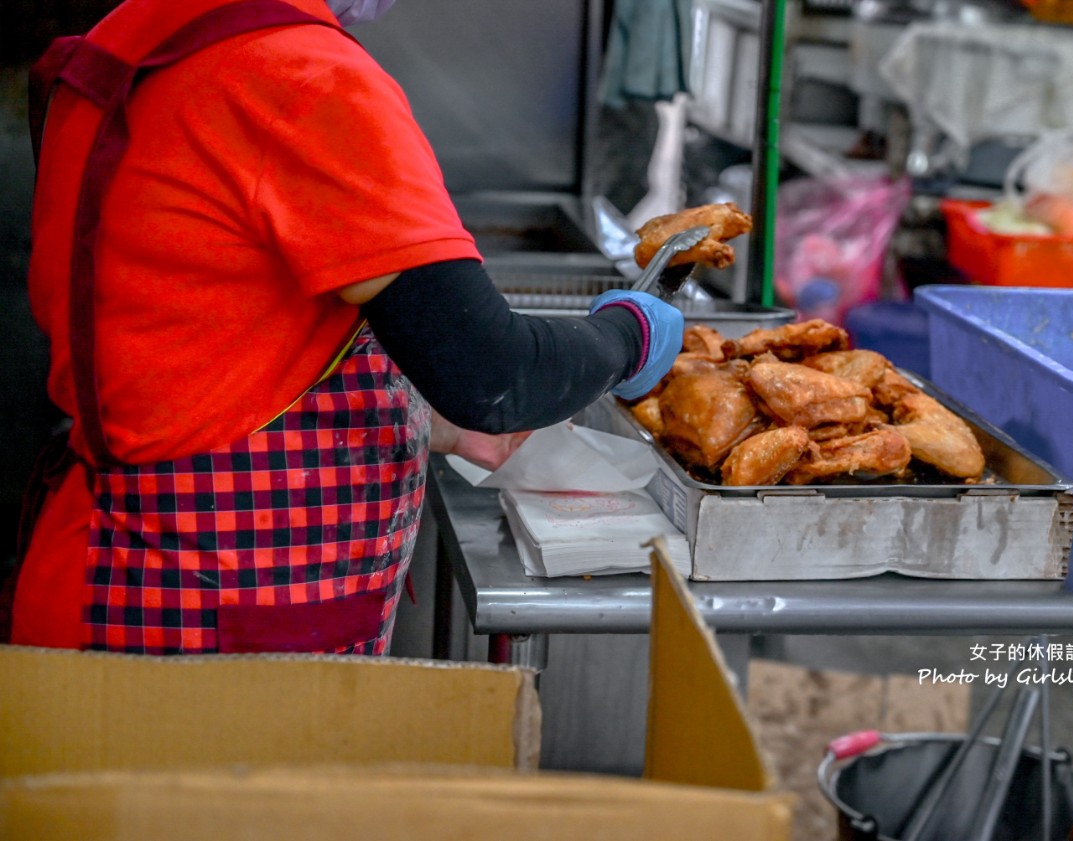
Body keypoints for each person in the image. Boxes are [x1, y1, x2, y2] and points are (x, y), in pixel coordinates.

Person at [8, 0, 683, 655]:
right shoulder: (298, 74)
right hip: (208, 617)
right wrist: (626, 336)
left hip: (94, 571)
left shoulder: (138, 31)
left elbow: (190, 326)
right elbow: (496, 376)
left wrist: (417, 415)